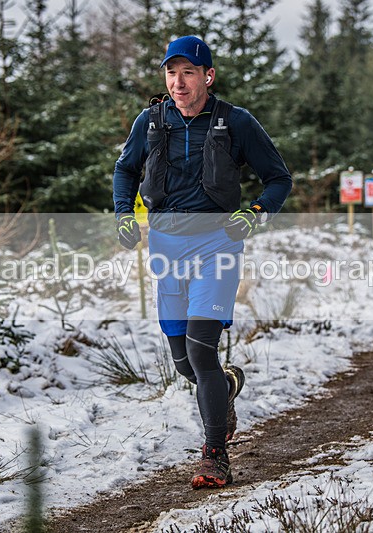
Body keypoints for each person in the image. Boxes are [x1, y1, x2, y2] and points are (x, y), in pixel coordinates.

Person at [112, 35, 292, 489]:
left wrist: (253, 216)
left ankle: (215, 456)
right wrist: (121, 215)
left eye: (188, 72)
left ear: (207, 77)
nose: (179, 82)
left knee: (200, 349)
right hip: (166, 250)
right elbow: (124, 170)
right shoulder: (150, 121)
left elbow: (278, 179)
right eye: (171, 73)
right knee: (184, 363)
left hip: (217, 247)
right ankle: (226, 388)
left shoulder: (236, 122)